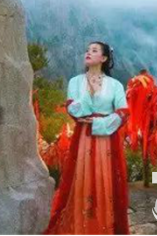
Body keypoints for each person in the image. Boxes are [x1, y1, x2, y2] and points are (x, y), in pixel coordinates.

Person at [43, 41, 130, 235]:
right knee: (81, 179)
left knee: (105, 179)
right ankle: (80, 226)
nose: (88, 53)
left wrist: (100, 123)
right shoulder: (75, 82)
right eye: (87, 50)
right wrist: (90, 93)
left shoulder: (115, 85)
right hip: (83, 137)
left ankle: (104, 226)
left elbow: (123, 112)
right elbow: (72, 109)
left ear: (104, 58)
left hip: (107, 140)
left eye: (94, 50)